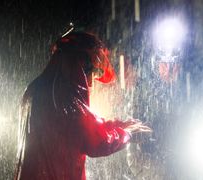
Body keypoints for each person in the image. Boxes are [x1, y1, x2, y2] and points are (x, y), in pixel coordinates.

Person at [14, 31, 151, 180]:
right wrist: (127, 134)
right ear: (82, 64)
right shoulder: (62, 91)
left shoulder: (41, 87)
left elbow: (84, 124)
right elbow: (91, 139)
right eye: (93, 74)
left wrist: (120, 126)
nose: (91, 83)